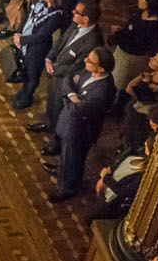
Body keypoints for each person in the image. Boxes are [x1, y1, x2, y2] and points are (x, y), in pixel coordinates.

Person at [47, 45, 117, 201]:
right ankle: (61, 171)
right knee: (66, 155)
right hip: (70, 123)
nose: (85, 60)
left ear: (100, 69)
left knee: (73, 160)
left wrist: (70, 98)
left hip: (81, 131)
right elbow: (68, 79)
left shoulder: (104, 90)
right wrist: (72, 95)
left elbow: (76, 111)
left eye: (90, 60)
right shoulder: (88, 71)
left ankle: (68, 189)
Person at [17, 0, 99, 111]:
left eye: (76, 12)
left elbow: (79, 65)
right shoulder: (75, 23)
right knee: (51, 99)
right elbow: (62, 40)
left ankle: (51, 126)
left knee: (57, 104)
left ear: (85, 19)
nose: (72, 12)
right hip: (56, 68)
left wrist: (55, 69)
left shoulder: (93, 42)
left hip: (66, 77)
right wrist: (49, 58)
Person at [1, 0, 68, 96]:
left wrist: (20, 40)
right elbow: (27, 18)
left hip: (37, 49)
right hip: (26, 42)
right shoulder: (40, 3)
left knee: (33, 75)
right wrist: (18, 33)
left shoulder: (56, 15)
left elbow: (41, 36)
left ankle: (27, 95)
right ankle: (23, 90)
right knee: (25, 69)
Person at [119, 50, 158, 156]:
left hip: (140, 117)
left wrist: (143, 80)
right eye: (154, 56)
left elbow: (129, 88)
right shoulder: (153, 74)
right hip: (135, 110)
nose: (151, 58)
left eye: (156, 61)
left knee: (133, 139)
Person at [111, 0, 158, 90]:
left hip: (129, 59)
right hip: (120, 52)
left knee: (115, 83)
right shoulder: (141, 13)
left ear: (150, 3)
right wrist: (121, 31)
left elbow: (135, 44)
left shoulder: (151, 26)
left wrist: (119, 34)